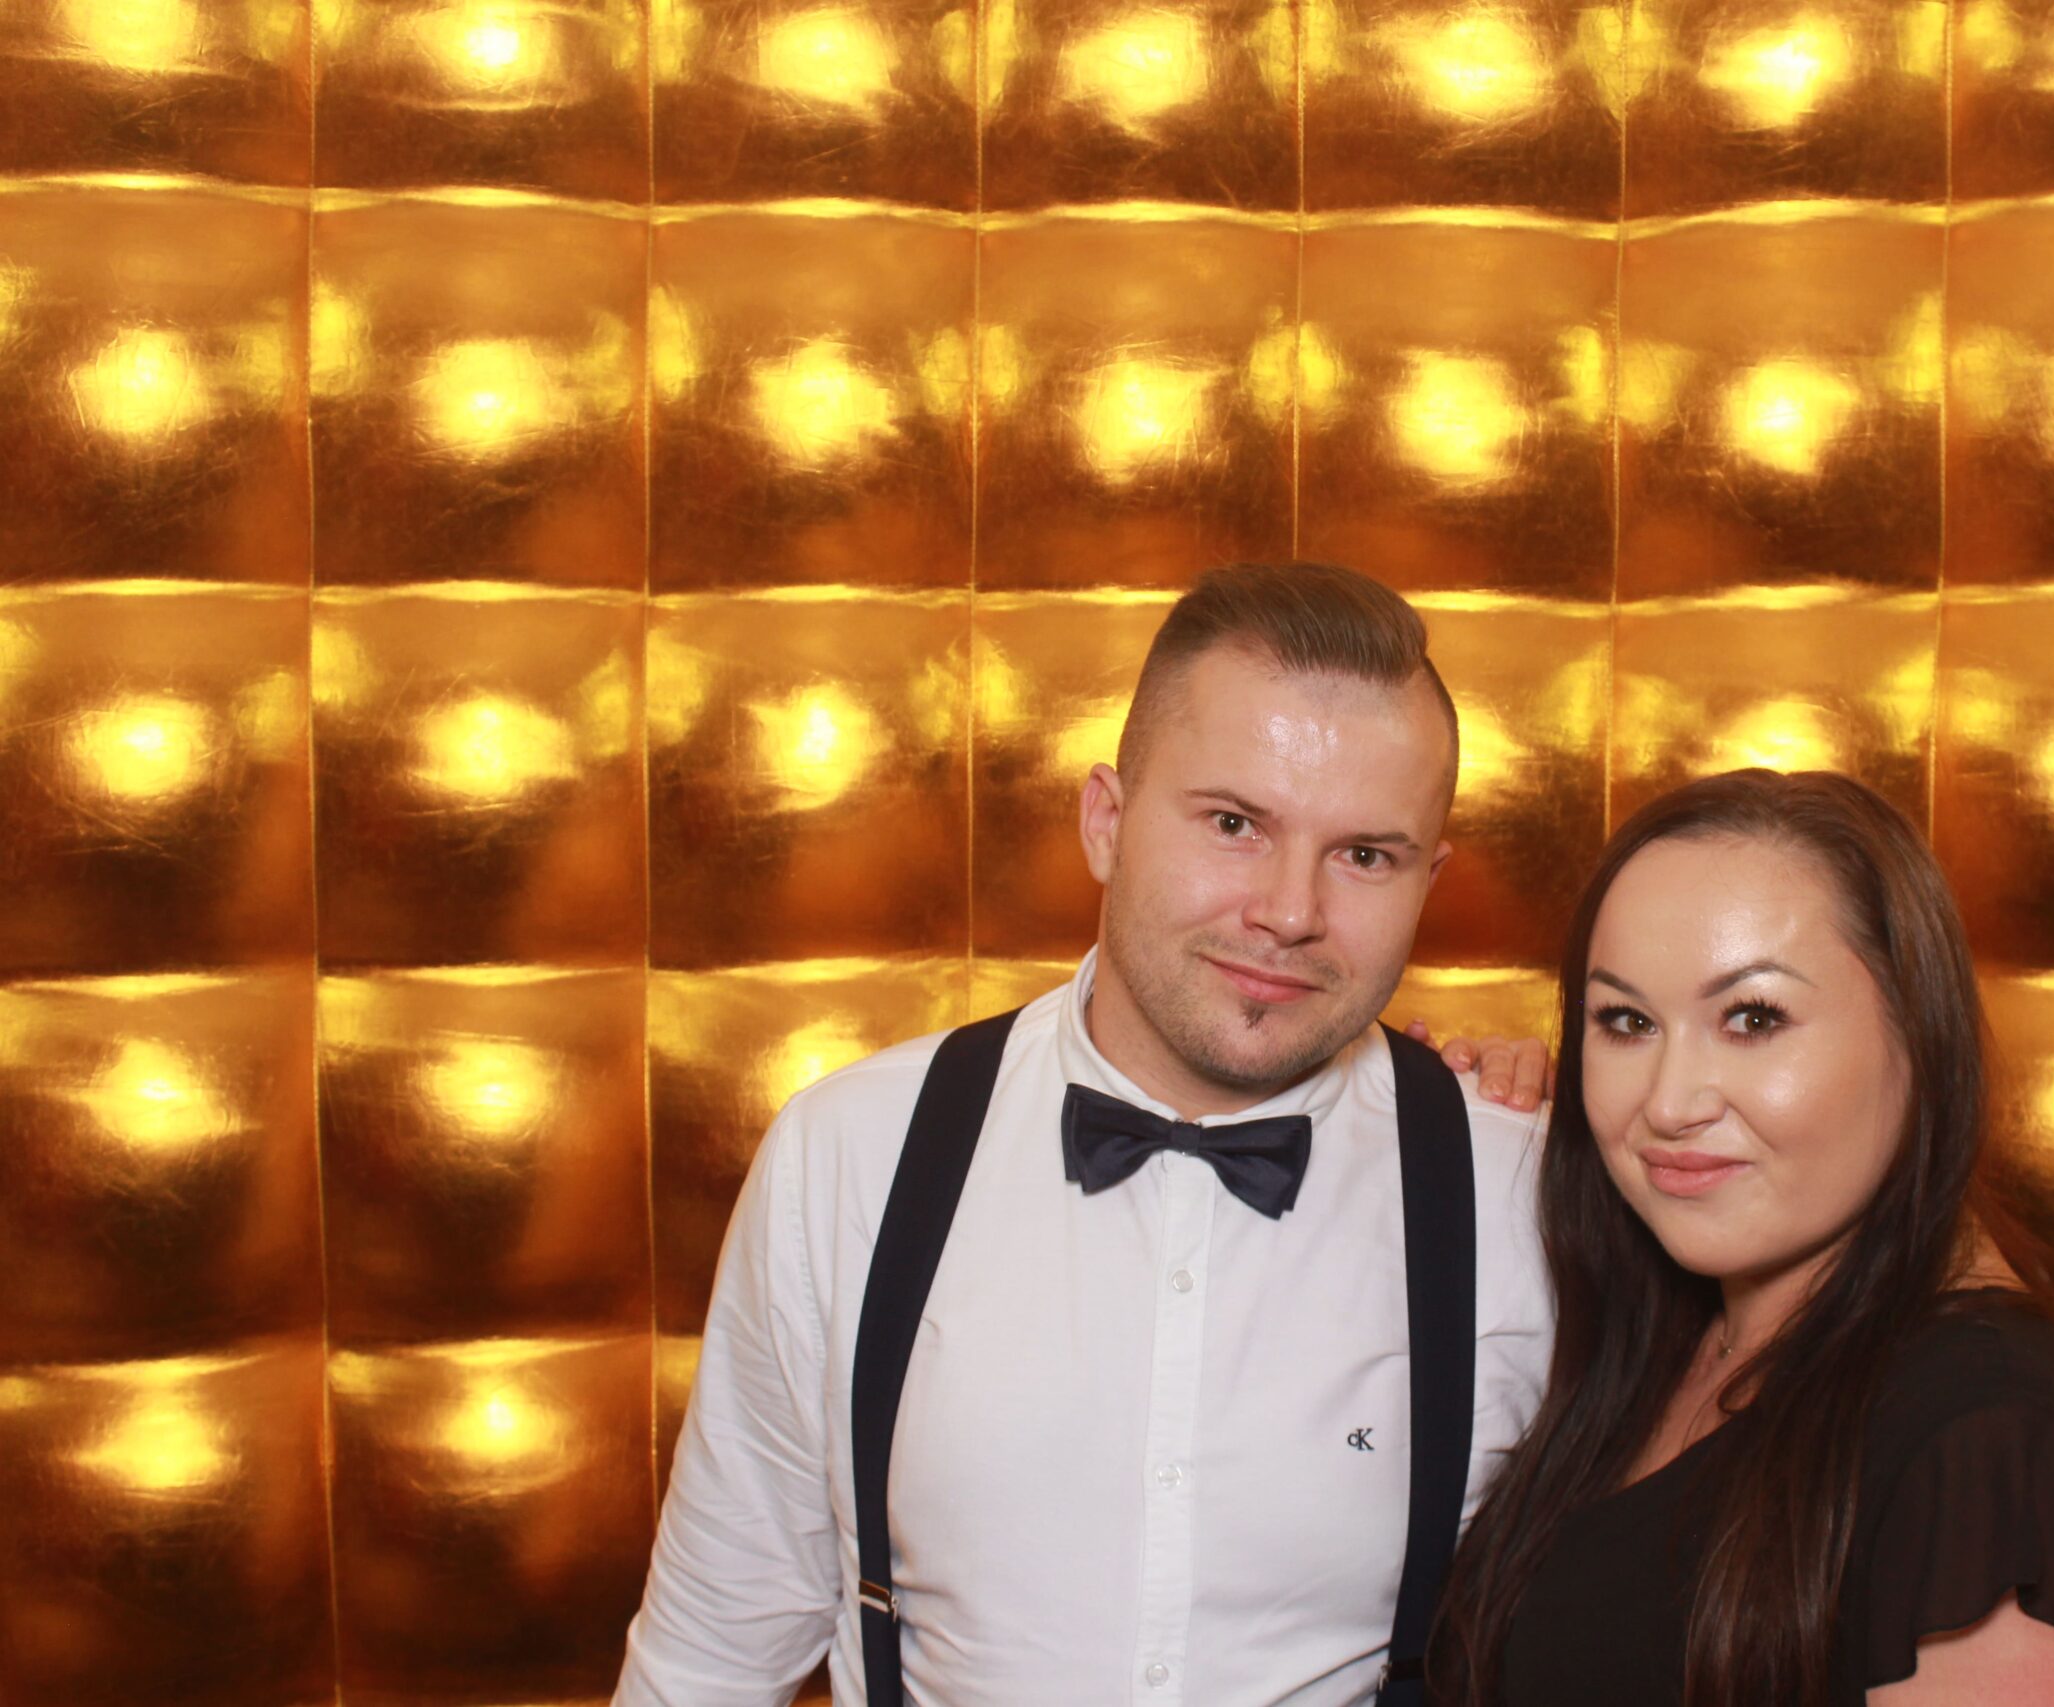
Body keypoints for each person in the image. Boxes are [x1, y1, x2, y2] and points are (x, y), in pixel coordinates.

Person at [616, 562, 1557, 1706]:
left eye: (1364, 855)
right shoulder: (851, 1153)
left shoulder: (1524, 1194)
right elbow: (710, 1655)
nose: (1289, 913)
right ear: (1106, 823)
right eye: (1233, 824)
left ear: (1428, 880)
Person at [1430, 770, 2054, 1707]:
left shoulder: (1985, 1446)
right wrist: (1465, 1124)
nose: (1670, 1102)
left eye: (1753, 1018)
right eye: (1627, 1021)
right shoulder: (1664, 1329)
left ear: (1917, 1032)